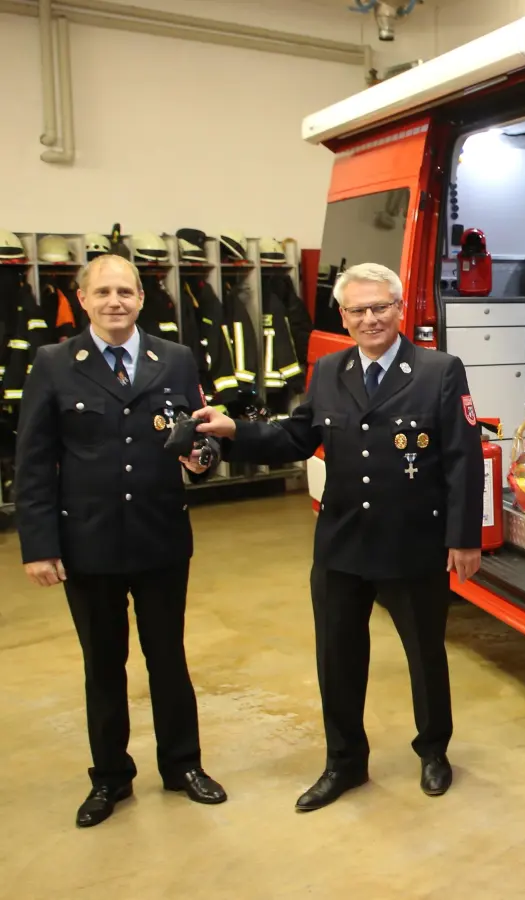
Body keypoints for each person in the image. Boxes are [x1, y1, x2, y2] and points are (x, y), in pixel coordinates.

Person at [192, 262, 483, 812]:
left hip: (411, 542)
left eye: (380, 307)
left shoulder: (439, 371)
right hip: (342, 543)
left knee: (425, 655)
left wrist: (463, 538)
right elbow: (297, 436)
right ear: (343, 317)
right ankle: (344, 762)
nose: (370, 318)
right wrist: (234, 435)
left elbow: (463, 461)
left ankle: (433, 751)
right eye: (358, 310)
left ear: (400, 309)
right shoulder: (327, 372)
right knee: (338, 658)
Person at [14, 252, 228, 828]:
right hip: (88, 543)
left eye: (126, 292)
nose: (115, 302)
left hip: (160, 537)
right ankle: (110, 778)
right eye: (103, 292)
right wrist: (38, 544)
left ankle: (184, 765)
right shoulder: (55, 363)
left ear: (141, 299)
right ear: (82, 299)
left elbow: (200, 441)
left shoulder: (175, 359)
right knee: (104, 665)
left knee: (168, 659)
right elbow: (33, 461)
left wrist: (202, 456)